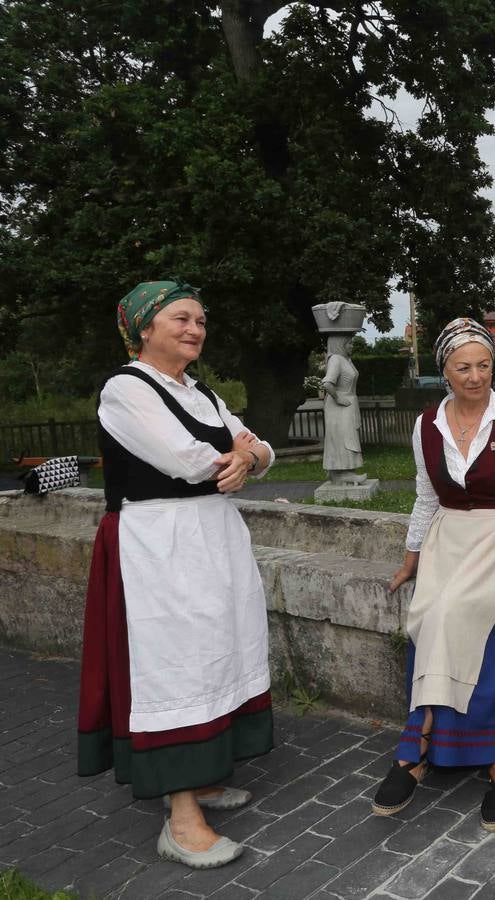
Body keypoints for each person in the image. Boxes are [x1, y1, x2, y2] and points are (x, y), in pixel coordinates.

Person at [78, 280, 275, 869]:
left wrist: (247, 454)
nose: (195, 329)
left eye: (201, 320)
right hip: (158, 544)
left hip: (212, 539)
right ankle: (181, 818)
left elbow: (260, 449)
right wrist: (239, 454)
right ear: (144, 328)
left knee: (220, 651)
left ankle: (206, 776)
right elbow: (188, 461)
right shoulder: (124, 389)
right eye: (180, 319)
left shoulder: (201, 392)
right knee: (177, 665)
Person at [371, 318, 495, 831]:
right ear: (445, 372)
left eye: (483, 365)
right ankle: (420, 743)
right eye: (464, 368)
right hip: (451, 541)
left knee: (468, 613)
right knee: (431, 613)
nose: (476, 377)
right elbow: (426, 496)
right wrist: (412, 556)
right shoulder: (426, 424)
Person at [320, 333, 366, 483]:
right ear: (340, 345)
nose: (352, 346)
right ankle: (341, 473)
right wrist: (338, 398)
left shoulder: (346, 360)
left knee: (347, 438)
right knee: (342, 439)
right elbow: (327, 383)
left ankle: (345, 472)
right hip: (339, 407)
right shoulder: (336, 360)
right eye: (349, 343)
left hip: (347, 405)